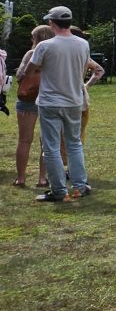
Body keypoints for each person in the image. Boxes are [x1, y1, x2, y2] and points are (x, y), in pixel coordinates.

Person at [26, 6, 103, 202]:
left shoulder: (45, 46)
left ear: (51, 23)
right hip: (74, 101)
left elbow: (29, 70)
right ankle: (80, 185)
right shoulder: (82, 44)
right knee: (74, 144)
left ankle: (59, 191)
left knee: (51, 147)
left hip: (50, 102)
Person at [12, 25, 51, 189]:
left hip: (28, 99)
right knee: (47, 142)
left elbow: (20, 75)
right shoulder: (54, 54)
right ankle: (42, 178)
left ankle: (21, 178)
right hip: (48, 99)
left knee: (24, 140)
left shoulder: (31, 54)